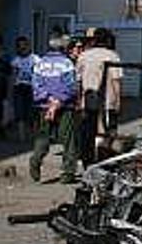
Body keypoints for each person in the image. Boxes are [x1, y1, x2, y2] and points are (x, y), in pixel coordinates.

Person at [29, 34, 78, 183]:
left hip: (44, 106)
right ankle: (67, 173)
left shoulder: (40, 64)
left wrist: (50, 100)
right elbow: (71, 87)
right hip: (65, 106)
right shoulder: (67, 63)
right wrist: (58, 102)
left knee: (43, 136)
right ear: (63, 48)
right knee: (68, 140)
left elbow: (36, 87)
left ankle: (35, 160)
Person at [76, 28, 123, 166]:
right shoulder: (112, 56)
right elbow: (116, 81)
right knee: (108, 134)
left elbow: (78, 81)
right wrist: (118, 102)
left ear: (94, 40)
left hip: (88, 100)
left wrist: (79, 101)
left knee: (87, 134)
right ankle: (106, 162)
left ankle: (87, 163)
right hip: (108, 102)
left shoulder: (84, 55)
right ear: (108, 40)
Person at [10, 36, 37, 142]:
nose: (22, 48)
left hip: (31, 87)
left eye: (24, 45)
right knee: (20, 113)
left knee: (32, 113)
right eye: (20, 46)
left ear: (28, 46)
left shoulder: (35, 59)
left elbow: (37, 74)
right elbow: (13, 76)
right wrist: (11, 91)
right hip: (19, 87)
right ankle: (22, 137)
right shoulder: (15, 60)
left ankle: (33, 136)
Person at [0, 36, 11, 139]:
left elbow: (9, 71)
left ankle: (1, 130)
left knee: (0, 109)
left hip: (1, 86)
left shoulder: (5, 56)